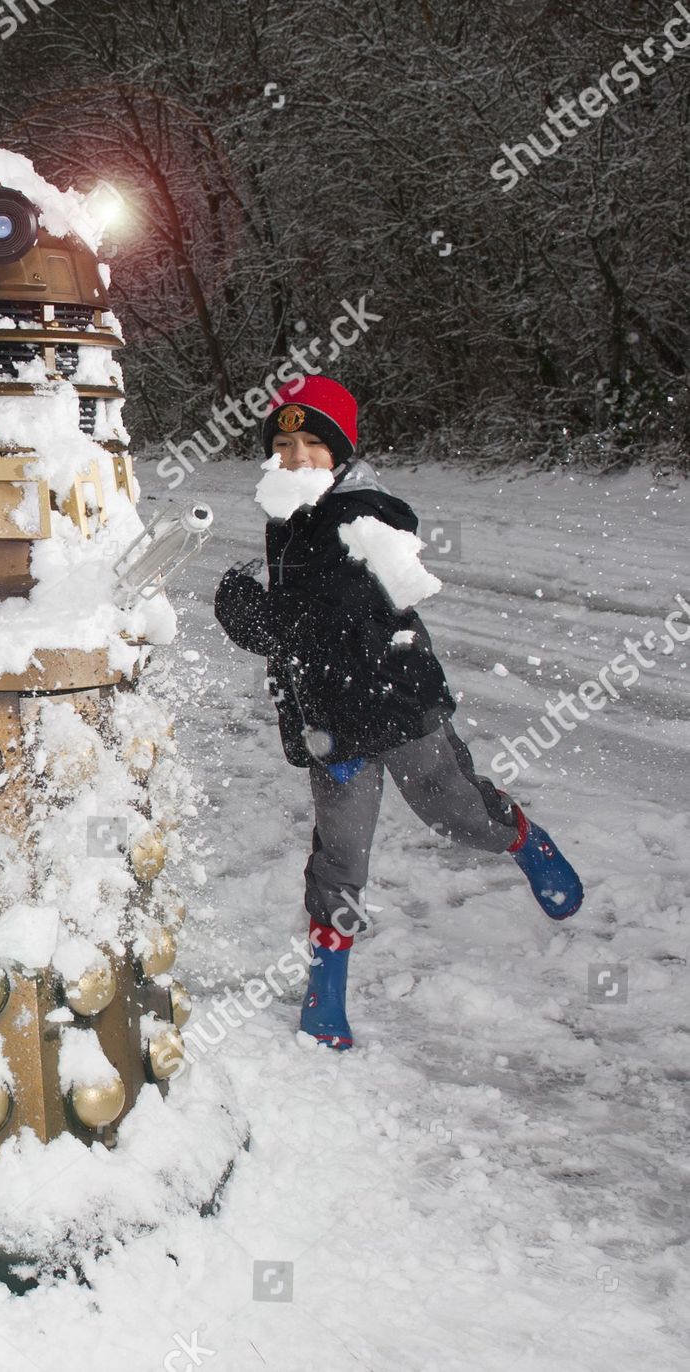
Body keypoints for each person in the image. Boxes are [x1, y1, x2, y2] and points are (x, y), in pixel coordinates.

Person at [213, 376, 583, 1051]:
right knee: (340, 855)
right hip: (332, 721)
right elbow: (303, 638)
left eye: (313, 444)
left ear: (343, 451)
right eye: (284, 444)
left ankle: (523, 838)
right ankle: (327, 983)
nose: (297, 456)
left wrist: (245, 611)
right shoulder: (291, 517)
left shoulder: (367, 517)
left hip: (398, 707)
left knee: (455, 812)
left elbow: (319, 619)